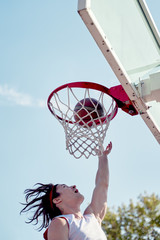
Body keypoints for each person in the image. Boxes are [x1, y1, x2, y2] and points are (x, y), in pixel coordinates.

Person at [21, 142, 112, 240]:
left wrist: (103, 156)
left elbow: (102, 185)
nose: (73, 186)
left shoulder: (92, 217)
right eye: (64, 186)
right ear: (57, 200)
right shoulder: (61, 222)